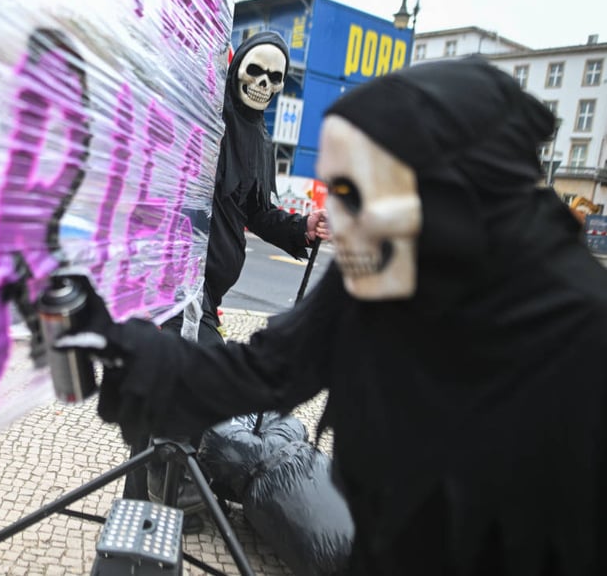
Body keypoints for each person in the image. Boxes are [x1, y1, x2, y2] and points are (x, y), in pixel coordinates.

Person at [56, 57, 607, 574]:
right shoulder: (381, 270)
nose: (350, 210)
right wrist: (126, 347)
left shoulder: (579, 322)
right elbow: (263, 371)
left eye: (368, 183)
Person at [124, 32, 330, 530]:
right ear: (235, 67)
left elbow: (256, 210)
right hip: (174, 280)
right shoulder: (205, 117)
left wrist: (300, 228)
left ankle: (157, 493)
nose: (263, 84)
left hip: (208, 294)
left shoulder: (257, 137)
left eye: (275, 78)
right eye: (254, 71)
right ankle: (161, 494)